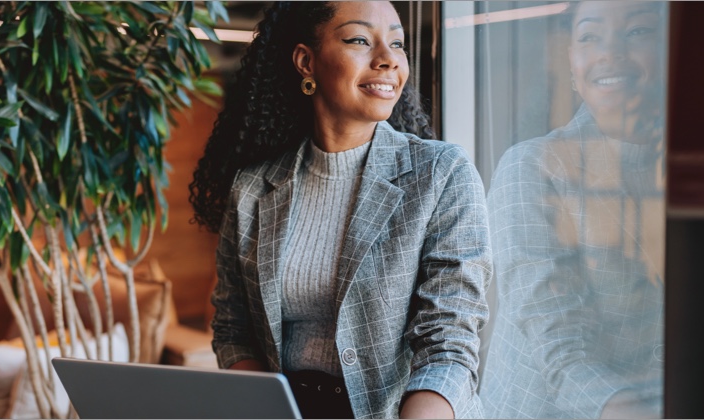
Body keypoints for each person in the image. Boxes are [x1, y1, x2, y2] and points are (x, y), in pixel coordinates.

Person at [188, 2, 489, 418]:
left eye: (397, 43)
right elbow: (234, 328)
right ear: (306, 61)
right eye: (360, 40)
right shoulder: (254, 187)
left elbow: (449, 341)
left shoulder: (440, 174)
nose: (387, 59)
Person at [479, 2, 666, 418]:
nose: (610, 52)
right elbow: (562, 351)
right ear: (571, 67)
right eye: (589, 36)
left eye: (637, 32)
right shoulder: (532, 166)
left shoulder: (699, 170)